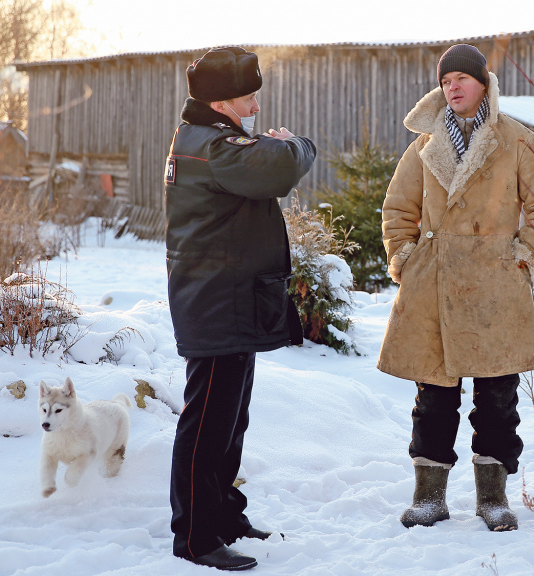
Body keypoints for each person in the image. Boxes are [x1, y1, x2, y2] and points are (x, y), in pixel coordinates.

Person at [378, 44, 534, 532]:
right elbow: (397, 210)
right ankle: (429, 497)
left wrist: (523, 256)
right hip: (434, 286)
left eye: (462, 78)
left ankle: (493, 498)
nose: (452, 87)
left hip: (495, 285)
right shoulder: (423, 146)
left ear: (484, 82)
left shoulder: (516, 140)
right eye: (445, 81)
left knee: (497, 397)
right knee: (433, 398)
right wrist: (404, 257)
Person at [164, 46, 316, 571]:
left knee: (231, 421)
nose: (255, 106)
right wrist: (292, 141)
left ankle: (226, 516)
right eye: (247, 97)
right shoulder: (215, 147)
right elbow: (278, 171)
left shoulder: (213, 141)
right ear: (222, 102)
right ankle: (196, 538)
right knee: (207, 425)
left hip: (228, 297)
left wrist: (273, 147)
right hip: (216, 300)